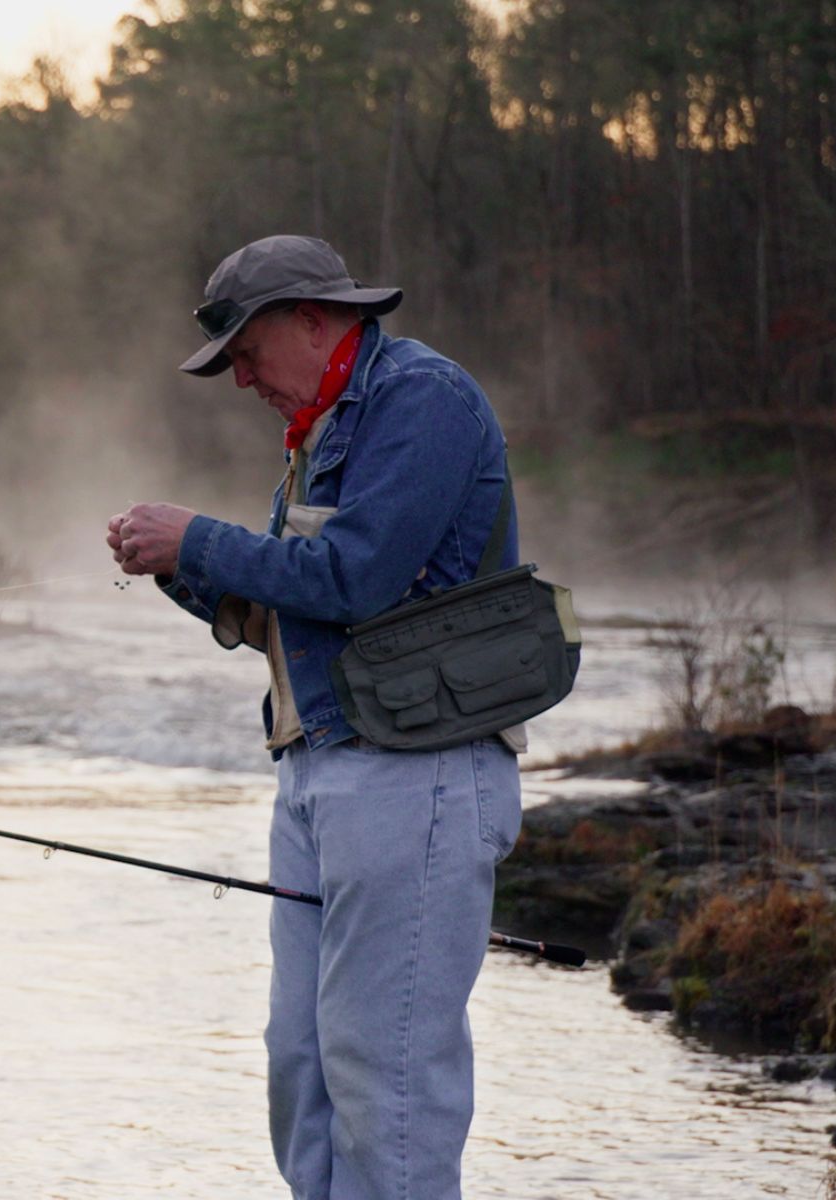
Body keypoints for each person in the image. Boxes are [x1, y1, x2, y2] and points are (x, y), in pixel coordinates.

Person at [105, 234, 523, 1200]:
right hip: (321, 773)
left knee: (391, 1083)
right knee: (303, 1069)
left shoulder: (422, 400)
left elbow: (358, 577)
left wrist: (201, 536)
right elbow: (288, 616)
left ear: (312, 317)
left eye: (245, 352)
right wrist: (179, 566)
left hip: (415, 775)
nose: (240, 378)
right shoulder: (324, 428)